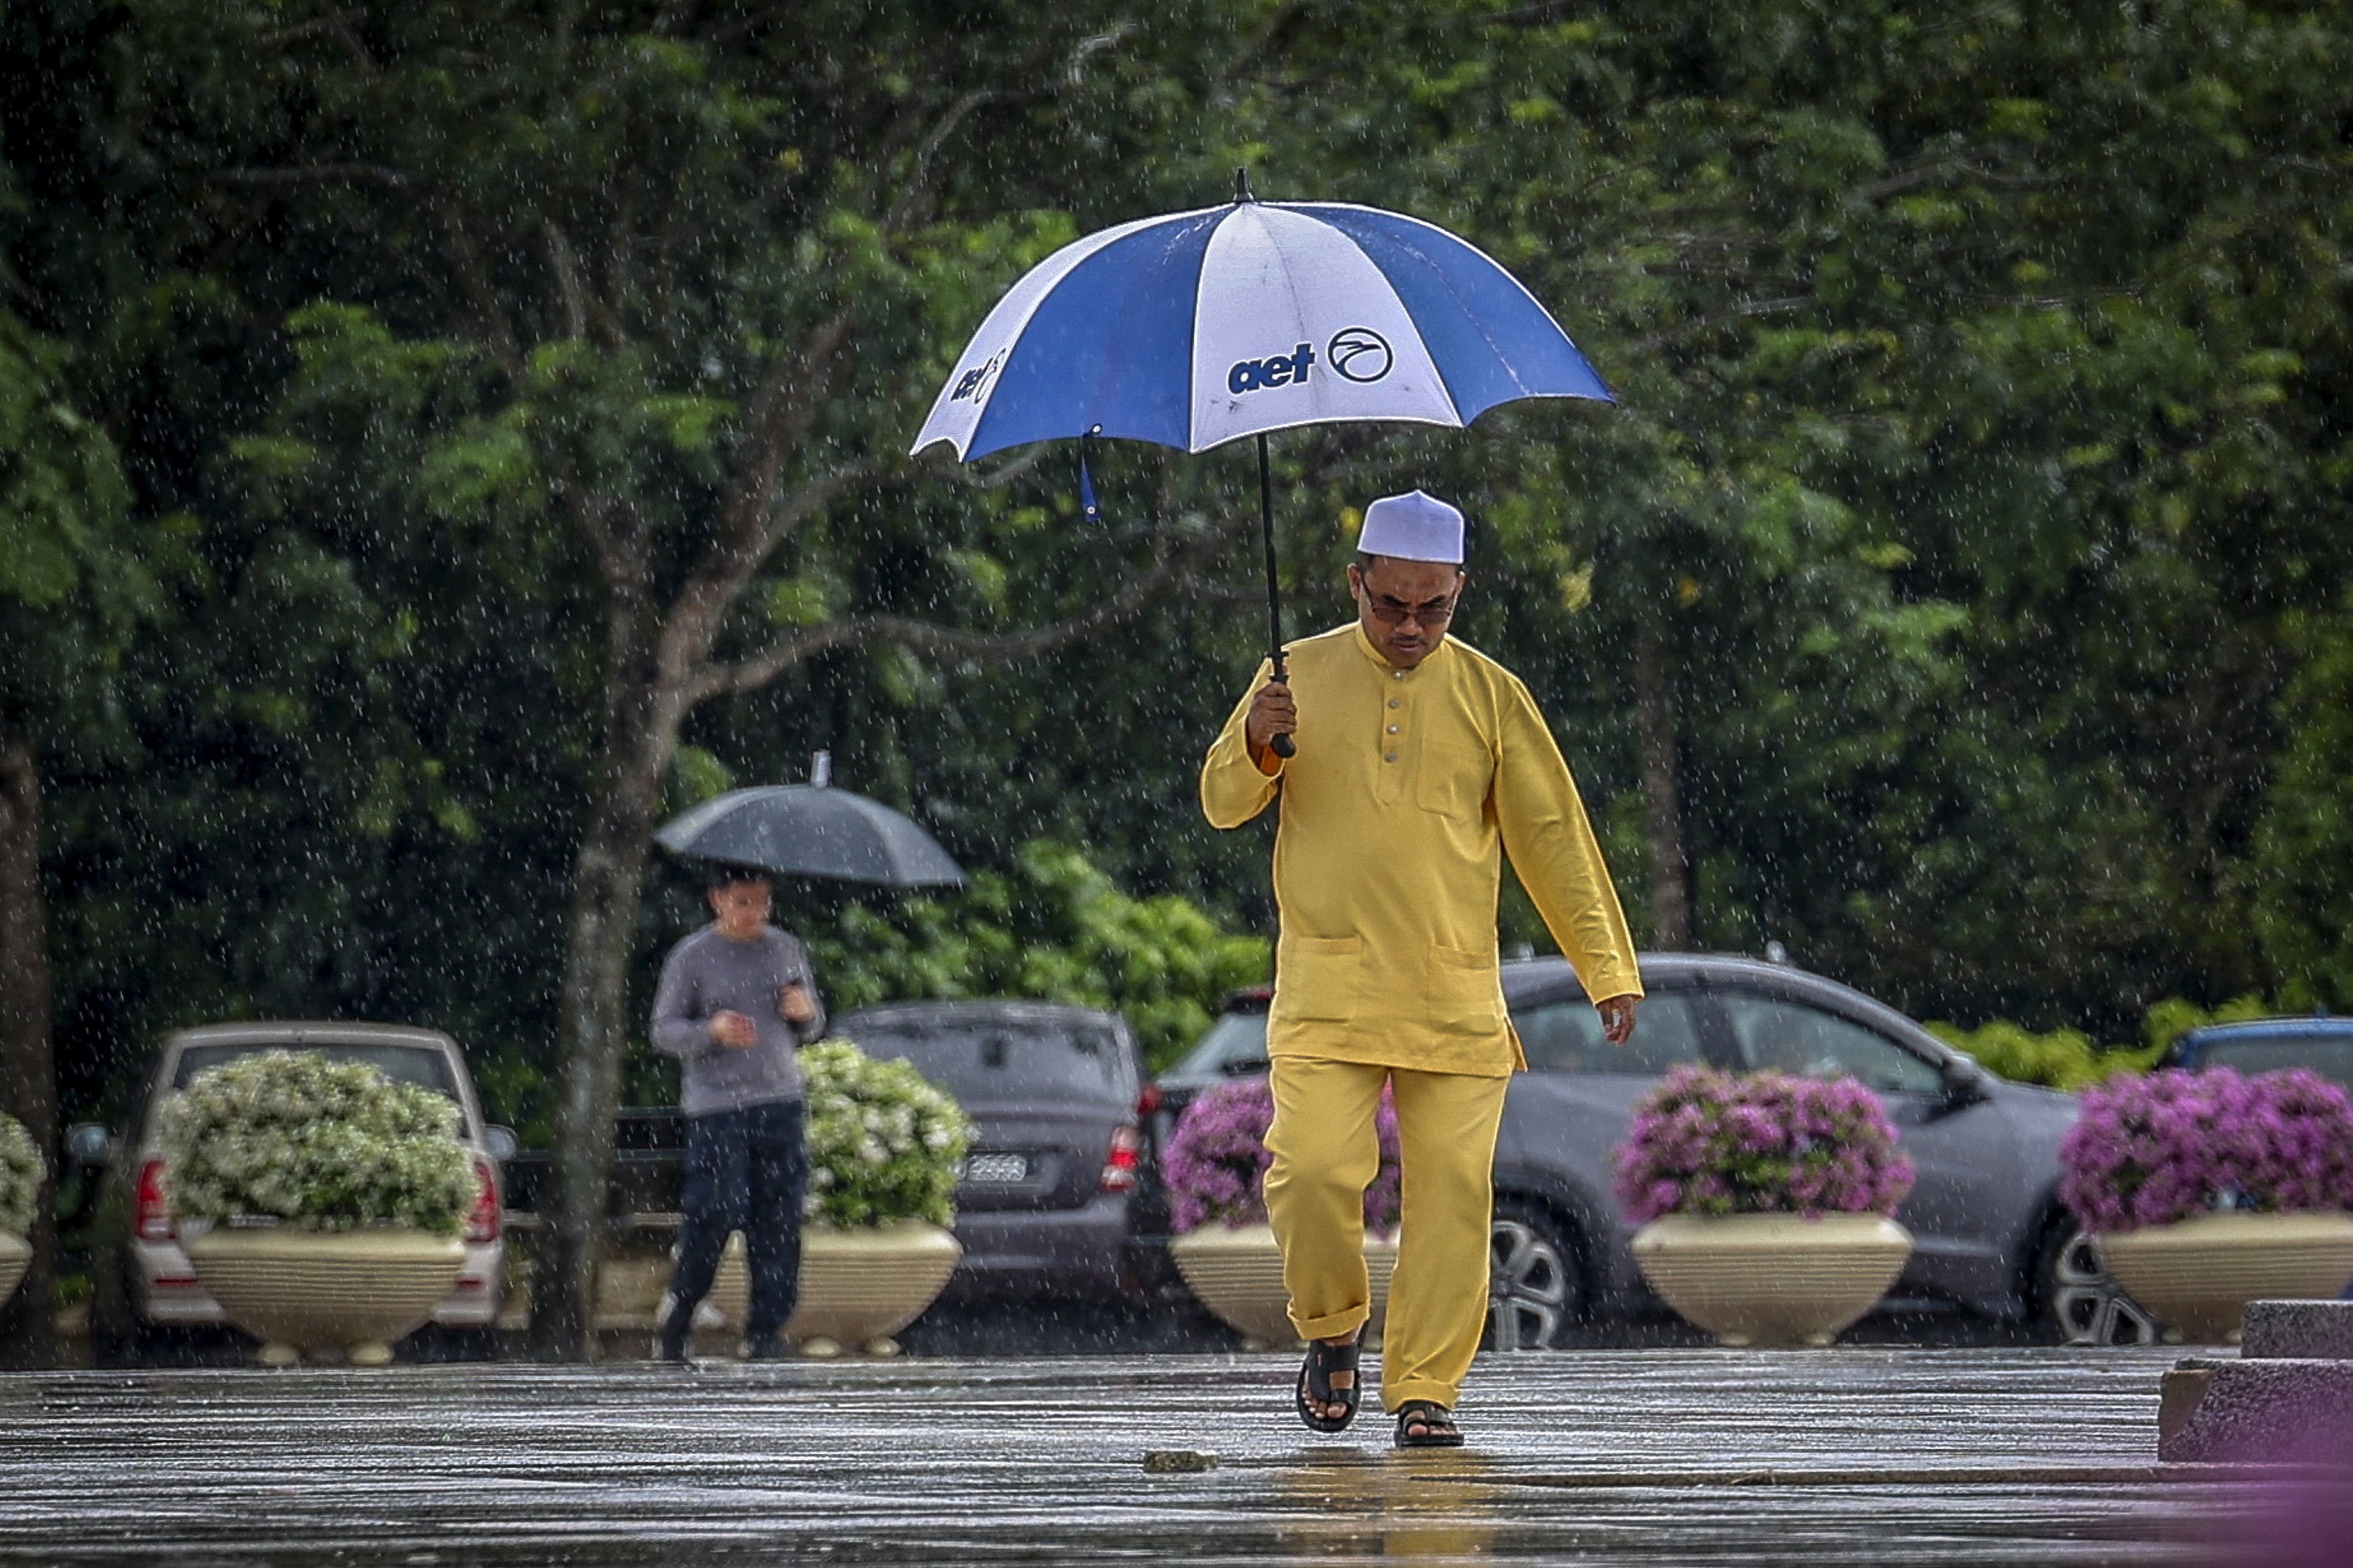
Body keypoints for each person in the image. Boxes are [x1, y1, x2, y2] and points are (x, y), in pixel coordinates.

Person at [1199, 489, 1642, 1448]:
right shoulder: (1292, 675)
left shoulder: (1492, 693)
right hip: (1328, 987)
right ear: (1355, 582)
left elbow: (1553, 837)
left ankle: (1428, 1387)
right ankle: (1331, 1329)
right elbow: (1223, 804)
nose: (1410, 626)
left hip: (1453, 993)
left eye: (1432, 608)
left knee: (1453, 1195)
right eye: (1390, 604)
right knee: (1312, 1171)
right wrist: (1257, 740)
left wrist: (1605, 964)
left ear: (1459, 591)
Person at [649, 866, 828, 1361]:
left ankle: (767, 1329)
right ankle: (681, 1308)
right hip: (718, 1106)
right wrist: (712, 1030)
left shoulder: (784, 948)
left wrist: (804, 1012)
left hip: (779, 1100)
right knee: (715, 1209)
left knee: (779, 1218)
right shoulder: (692, 956)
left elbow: (812, 1025)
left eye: (763, 902)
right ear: (718, 900)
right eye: (744, 902)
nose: (756, 913)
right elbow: (664, 1030)